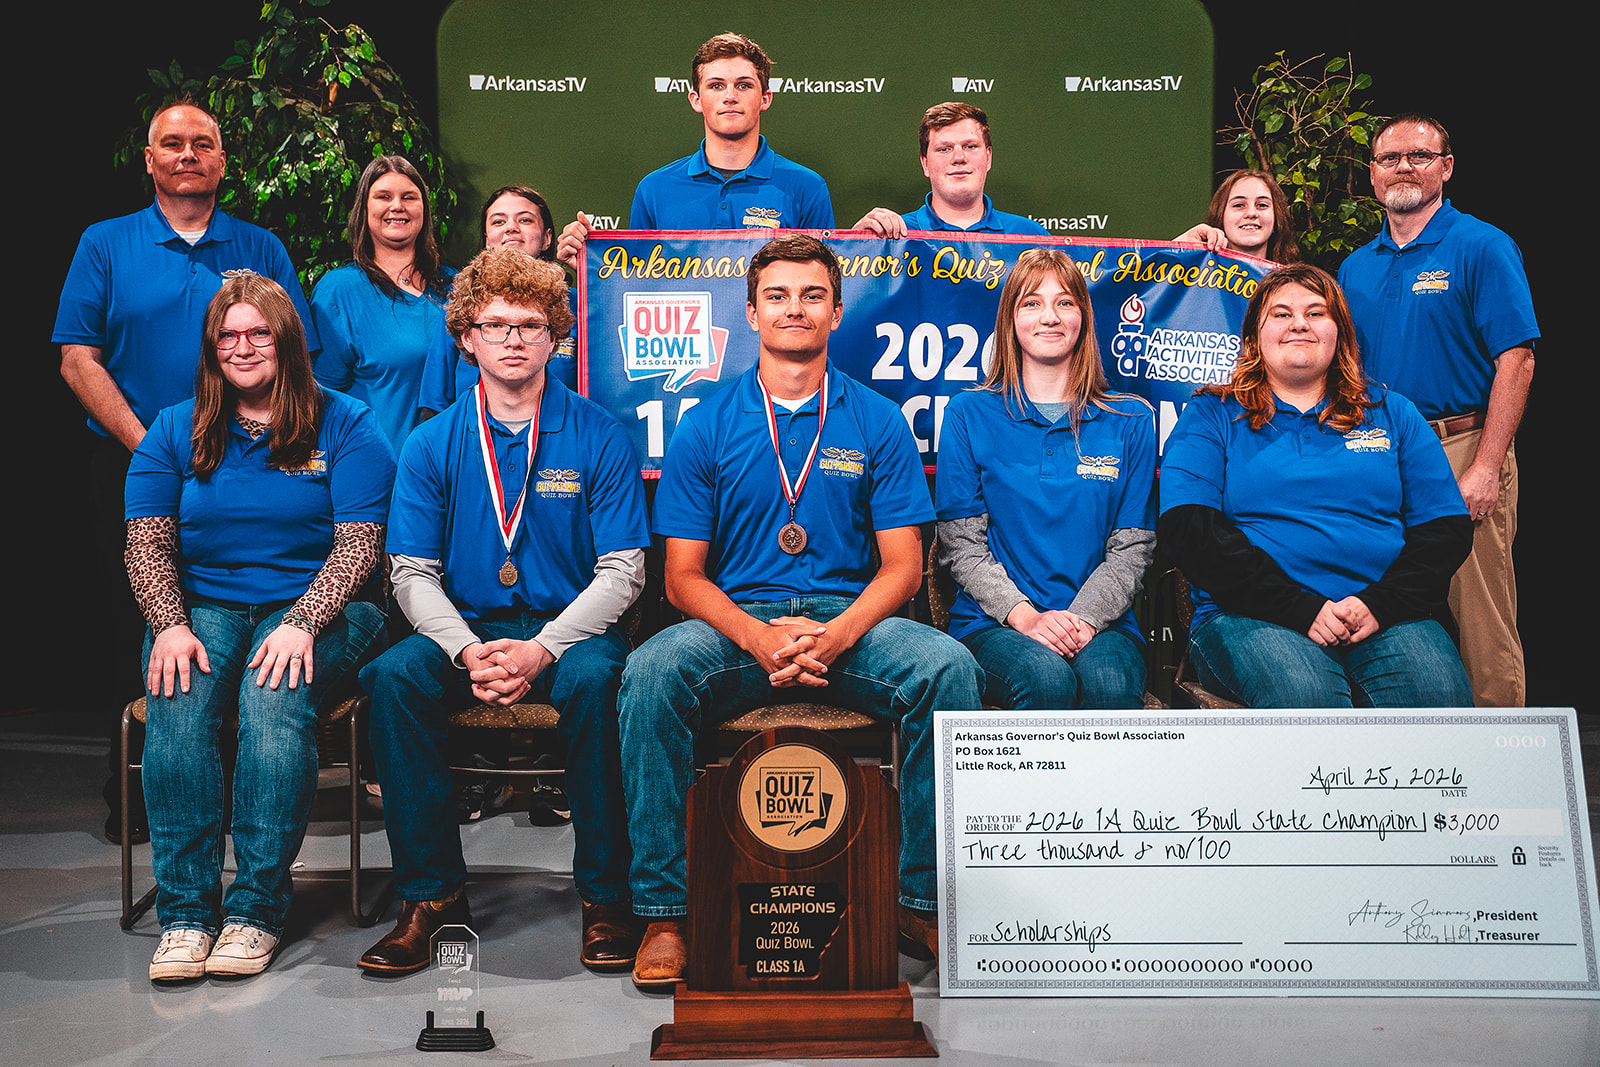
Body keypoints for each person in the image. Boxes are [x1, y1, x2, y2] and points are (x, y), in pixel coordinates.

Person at [617, 234, 983, 990]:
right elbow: (681, 579)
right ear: (752, 312)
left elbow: (903, 567)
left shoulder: (877, 420)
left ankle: (920, 901)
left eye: (813, 295)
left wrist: (836, 635)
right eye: (777, 295)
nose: (795, 308)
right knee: (650, 672)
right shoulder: (706, 424)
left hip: (850, 622)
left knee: (947, 667)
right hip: (737, 621)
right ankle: (665, 911)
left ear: (837, 312)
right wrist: (756, 636)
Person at [356, 247, 650, 976]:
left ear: (556, 337)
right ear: (467, 336)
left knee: (601, 682)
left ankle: (607, 898)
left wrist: (543, 647)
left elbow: (624, 573)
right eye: (495, 325)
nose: (513, 339)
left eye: (530, 325)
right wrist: (466, 650)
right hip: (467, 629)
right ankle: (430, 896)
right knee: (393, 678)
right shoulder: (430, 443)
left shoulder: (600, 435)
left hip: (572, 632)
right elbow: (410, 573)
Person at [52, 97, 316, 845]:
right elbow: (77, 358)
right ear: (149, 160)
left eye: (203, 143)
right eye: (172, 144)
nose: (188, 154)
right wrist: (153, 448)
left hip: (249, 466)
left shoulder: (259, 246)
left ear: (223, 162)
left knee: (226, 614)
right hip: (135, 457)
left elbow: (297, 355)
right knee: (138, 620)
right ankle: (136, 791)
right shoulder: (105, 243)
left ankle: (226, 790)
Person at [124, 272, 394, 981]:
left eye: (258, 333)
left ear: (287, 339)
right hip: (203, 605)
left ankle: (255, 911)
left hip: (321, 605)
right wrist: (169, 624)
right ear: (212, 347)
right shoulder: (173, 428)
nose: (242, 347)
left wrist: (304, 619)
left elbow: (360, 544)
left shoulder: (346, 423)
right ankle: (186, 915)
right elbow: (146, 543)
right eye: (228, 335)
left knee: (273, 702)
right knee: (179, 701)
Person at [1158, 263, 1472, 708]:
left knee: (1438, 695)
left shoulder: (1393, 412)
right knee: (1306, 698)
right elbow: (1189, 529)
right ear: (1254, 337)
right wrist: (1300, 608)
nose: (1299, 324)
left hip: (1384, 614)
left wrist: (1380, 604)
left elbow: (1445, 530)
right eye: (1281, 314)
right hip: (1250, 614)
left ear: (1339, 332)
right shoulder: (1211, 415)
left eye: (1316, 313)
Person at [1336, 113, 1537, 707]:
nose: (1403, 167)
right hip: (1377, 452)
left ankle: (1498, 754)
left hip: (1459, 448)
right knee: (1382, 607)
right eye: (1389, 158)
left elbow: (1518, 361)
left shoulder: (1482, 246)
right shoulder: (1356, 266)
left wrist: (1487, 466)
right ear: (1372, 174)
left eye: (1419, 156)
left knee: (1479, 619)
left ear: (1446, 167)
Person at [936, 249, 1155, 708]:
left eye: (1065, 302)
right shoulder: (967, 413)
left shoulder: (1131, 419)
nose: (1050, 317)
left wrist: (1082, 620)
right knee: (1045, 679)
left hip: (1102, 624)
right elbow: (962, 546)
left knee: (1110, 686)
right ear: (1011, 320)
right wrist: (1027, 618)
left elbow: (1132, 548)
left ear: (1083, 317)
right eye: (1032, 303)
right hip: (995, 623)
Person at [555, 32, 833, 268]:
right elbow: (637, 287)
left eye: (743, 85)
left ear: (765, 98)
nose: (730, 96)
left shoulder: (807, 187)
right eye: (716, 86)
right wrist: (593, 264)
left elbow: (823, 284)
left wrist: (856, 249)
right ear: (696, 100)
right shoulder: (654, 189)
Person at [310, 155, 455, 451]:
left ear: (425, 210)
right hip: (380, 468)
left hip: (456, 468)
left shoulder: (458, 286)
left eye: (409, 197)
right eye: (383, 197)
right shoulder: (339, 292)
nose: (397, 206)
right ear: (364, 210)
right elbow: (321, 402)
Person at [418, 184, 576, 421]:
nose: (511, 228)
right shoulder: (461, 304)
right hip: (472, 439)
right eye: (498, 221)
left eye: (525, 220)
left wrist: (592, 273)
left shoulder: (578, 305)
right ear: (486, 240)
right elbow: (434, 405)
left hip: (560, 439)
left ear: (546, 239)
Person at [852, 102, 1049, 238]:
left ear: (988, 157)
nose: (959, 158)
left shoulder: (1031, 237)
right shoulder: (890, 236)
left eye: (970, 146)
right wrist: (854, 246)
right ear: (925, 163)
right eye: (944, 149)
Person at [1172, 169, 1301, 263]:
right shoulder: (1193, 278)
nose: (1251, 213)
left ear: (1277, 218)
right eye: (1239, 205)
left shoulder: (1295, 284)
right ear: (1221, 216)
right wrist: (1174, 251)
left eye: (1262, 205)